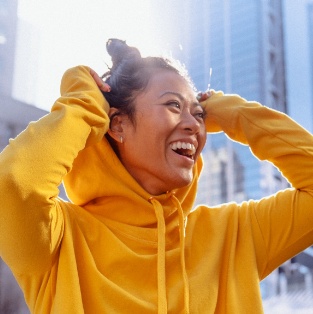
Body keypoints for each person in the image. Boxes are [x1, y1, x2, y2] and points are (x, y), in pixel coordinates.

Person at [0, 38, 313, 314]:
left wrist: (237, 115)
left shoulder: (234, 235)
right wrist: (84, 106)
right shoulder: (58, 239)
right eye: (173, 105)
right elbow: (14, 182)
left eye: (199, 114)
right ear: (117, 124)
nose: (194, 124)